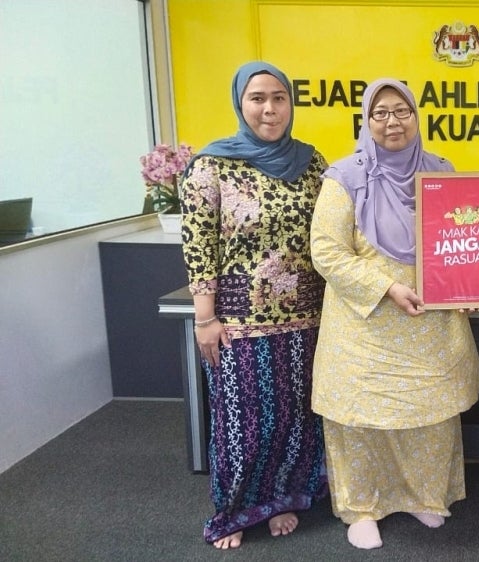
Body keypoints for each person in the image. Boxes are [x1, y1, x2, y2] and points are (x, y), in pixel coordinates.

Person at [310, 78, 479, 550]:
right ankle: (362, 507)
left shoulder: (441, 170)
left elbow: (460, 241)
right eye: (380, 112)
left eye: (402, 110)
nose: (393, 121)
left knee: (430, 413)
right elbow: (326, 252)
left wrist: (470, 282)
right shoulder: (343, 177)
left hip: (430, 318)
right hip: (363, 321)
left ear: (417, 116)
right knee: (361, 417)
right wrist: (385, 286)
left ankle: (424, 494)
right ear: (366, 121)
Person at [180, 61, 328, 549]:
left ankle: (284, 499)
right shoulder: (211, 166)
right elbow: (200, 247)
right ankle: (237, 508)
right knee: (245, 422)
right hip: (242, 321)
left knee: (298, 418)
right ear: (240, 103)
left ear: (291, 103)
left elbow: (335, 230)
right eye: (258, 98)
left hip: (310, 318)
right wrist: (205, 318)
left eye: (279, 97)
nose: (270, 108)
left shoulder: (311, 162)